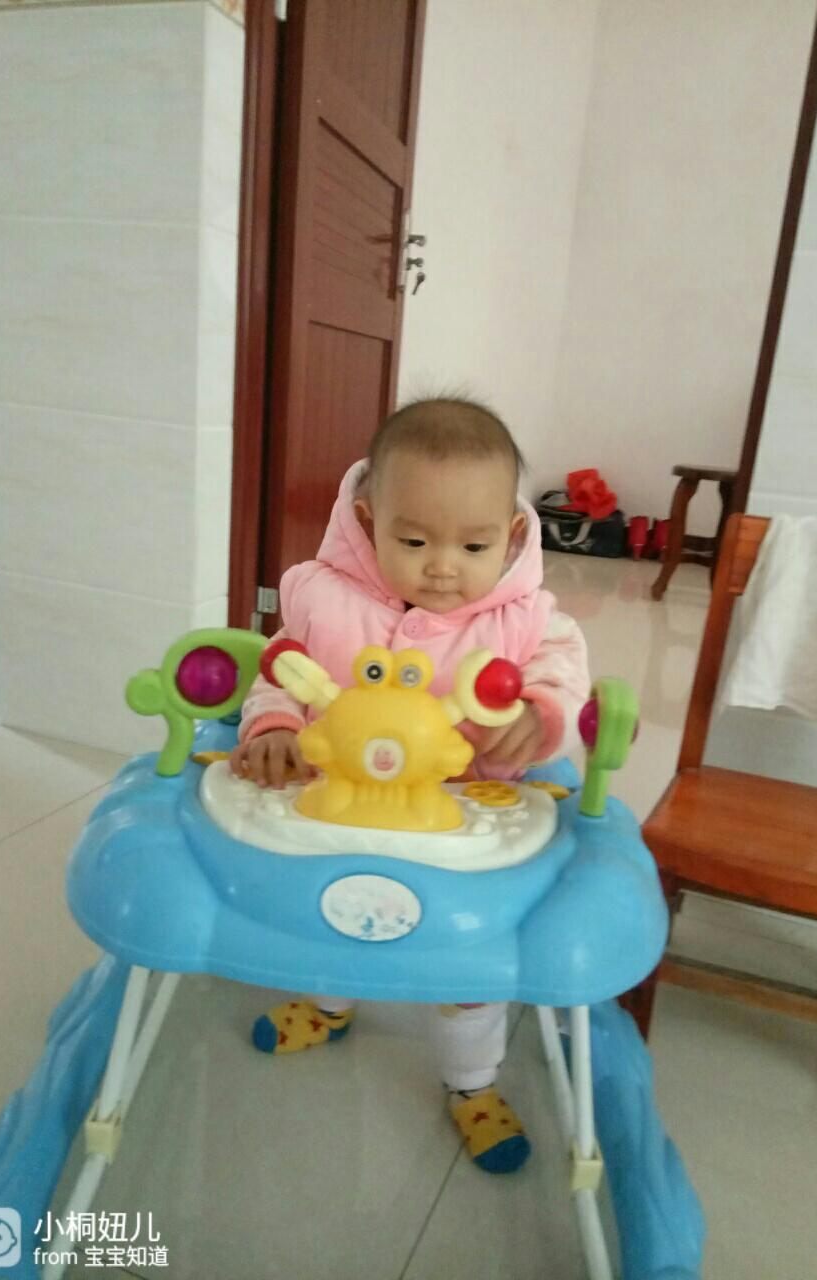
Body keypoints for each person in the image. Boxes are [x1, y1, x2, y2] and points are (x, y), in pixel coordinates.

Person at [231, 397, 591, 1173]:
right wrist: (276, 726)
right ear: (368, 523)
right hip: (341, 803)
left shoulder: (528, 621)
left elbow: (564, 676)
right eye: (415, 540)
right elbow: (281, 673)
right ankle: (330, 1003)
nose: (443, 566)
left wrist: (542, 712)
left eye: (474, 544)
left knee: (468, 962)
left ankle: (471, 1081)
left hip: (466, 820)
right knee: (330, 910)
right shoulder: (323, 601)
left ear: (513, 536)